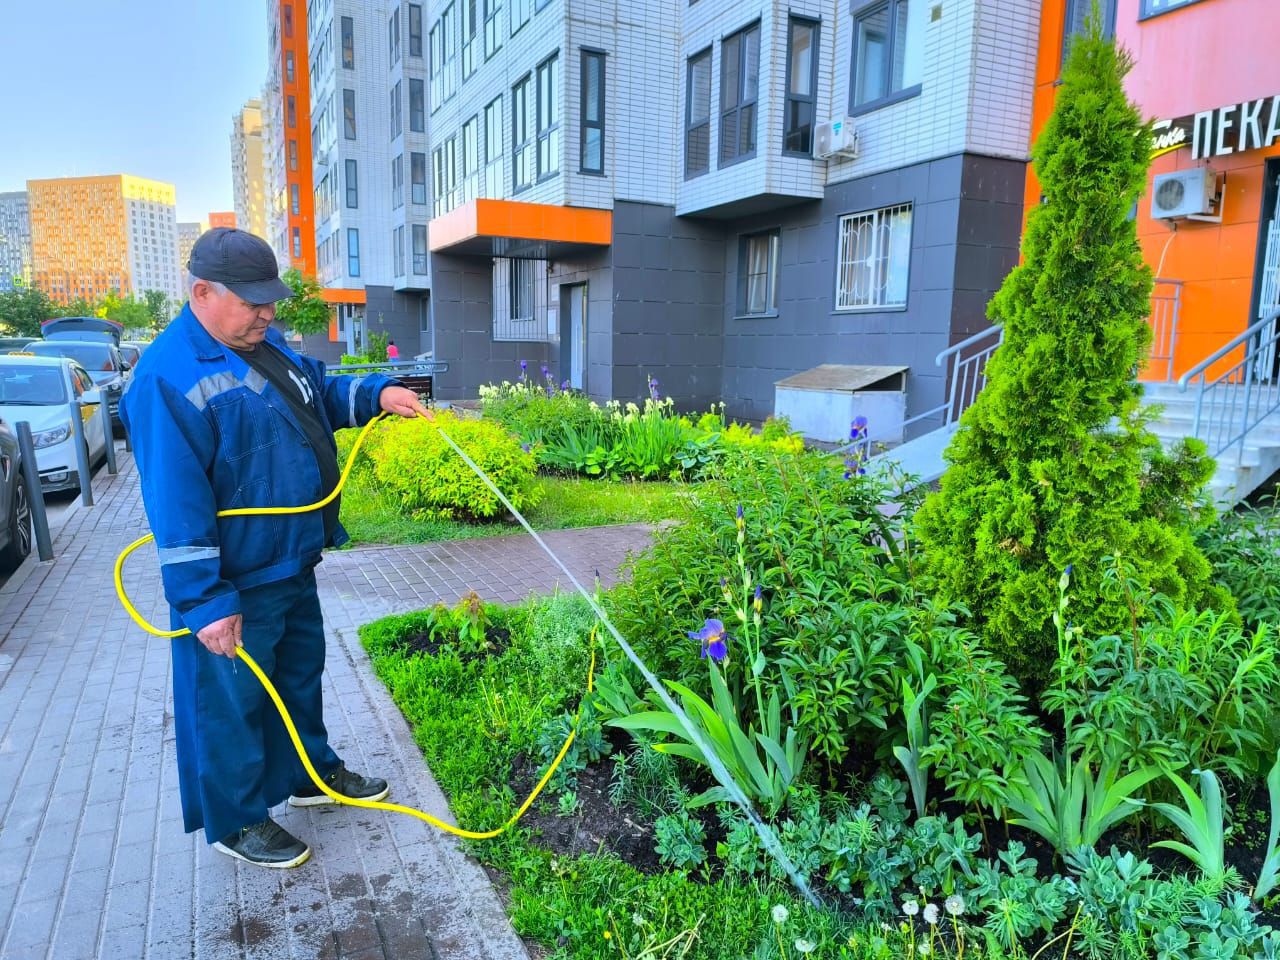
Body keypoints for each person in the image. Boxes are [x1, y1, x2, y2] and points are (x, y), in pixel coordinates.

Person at [121, 228, 431, 869]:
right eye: (252, 301)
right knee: (230, 701)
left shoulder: (265, 345)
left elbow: (315, 391)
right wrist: (205, 603)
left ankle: (309, 776)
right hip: (236, 580)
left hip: (292, 558)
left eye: (271, 300)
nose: (268, 313)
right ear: (202, 292)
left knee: (298, 676)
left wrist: (377, 394)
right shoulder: (166, 376)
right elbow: (176, 504)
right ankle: (236, 820)